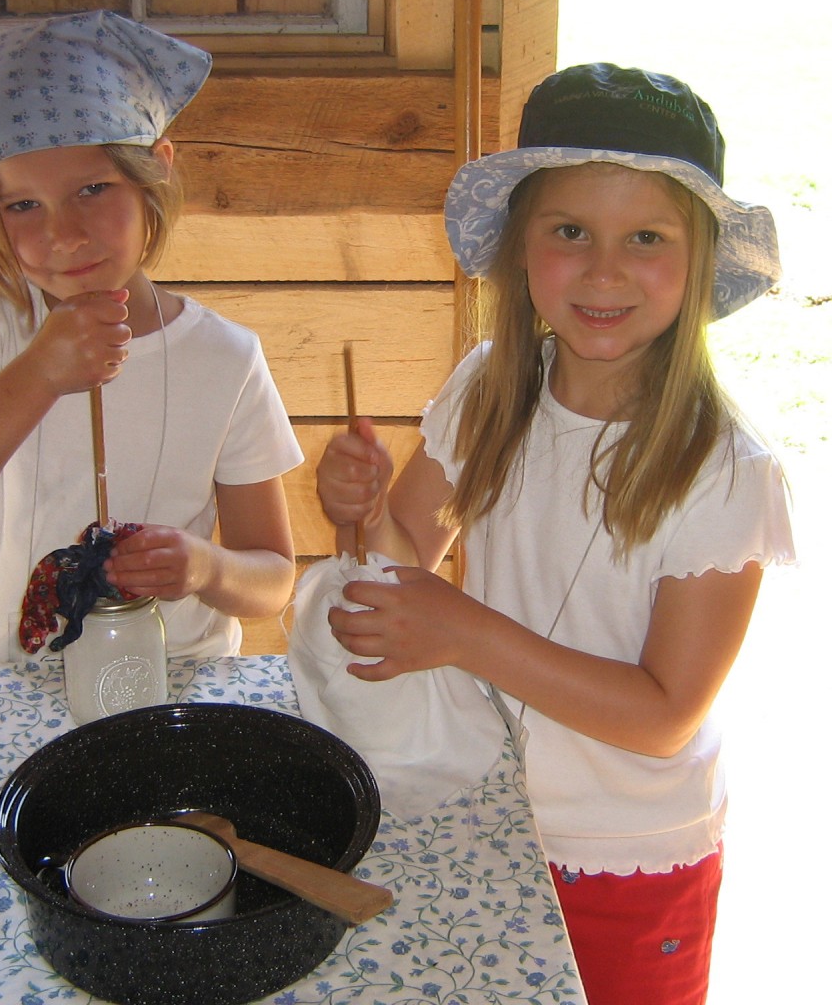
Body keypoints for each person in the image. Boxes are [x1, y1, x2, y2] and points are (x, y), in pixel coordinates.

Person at [315, 63, 794, 1005]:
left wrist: (462, 630)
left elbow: (663, 717)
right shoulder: (493, 382)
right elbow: (407, 547)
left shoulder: (726, 471)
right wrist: (358, 513)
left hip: (628, 855)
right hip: (478, 805)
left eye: (646, 238)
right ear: (520, 252)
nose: (603, 270)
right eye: (570, 231)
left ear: (697, 260)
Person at [0, 11, 303, 664]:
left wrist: (206, 569)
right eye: (23, 205)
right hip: (15, 688)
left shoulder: (227, 359)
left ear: (155, 170)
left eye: (92, 189)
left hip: (177, 688)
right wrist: (39, 372)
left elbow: (273, 576)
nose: (64, 235)